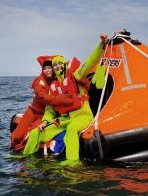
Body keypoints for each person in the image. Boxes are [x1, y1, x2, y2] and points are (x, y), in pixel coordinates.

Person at [23, 34, 108, 166]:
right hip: (63, 120)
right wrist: (45, 122)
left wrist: (101, 45)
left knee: (72, 129)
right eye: (54, 64)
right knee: (36, 132)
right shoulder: (53, 87)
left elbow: (89, 63)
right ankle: (25, 158)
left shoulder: (75, 76)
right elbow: (50, 110)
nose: (56, 66)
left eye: (59, 64)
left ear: (63, 65)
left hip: (82, 116)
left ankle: (73, 162)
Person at [11, 56, 74, 151]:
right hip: (32, 112)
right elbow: (44, 98)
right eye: (44, 68)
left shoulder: (56, 82)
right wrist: (63, 99)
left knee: (30, 134)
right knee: (17, 136)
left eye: (49, 68)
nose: (47, 70)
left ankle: (23, 154)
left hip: (43, 116)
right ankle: (13, 149)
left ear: (53, 69)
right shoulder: (39, 81)